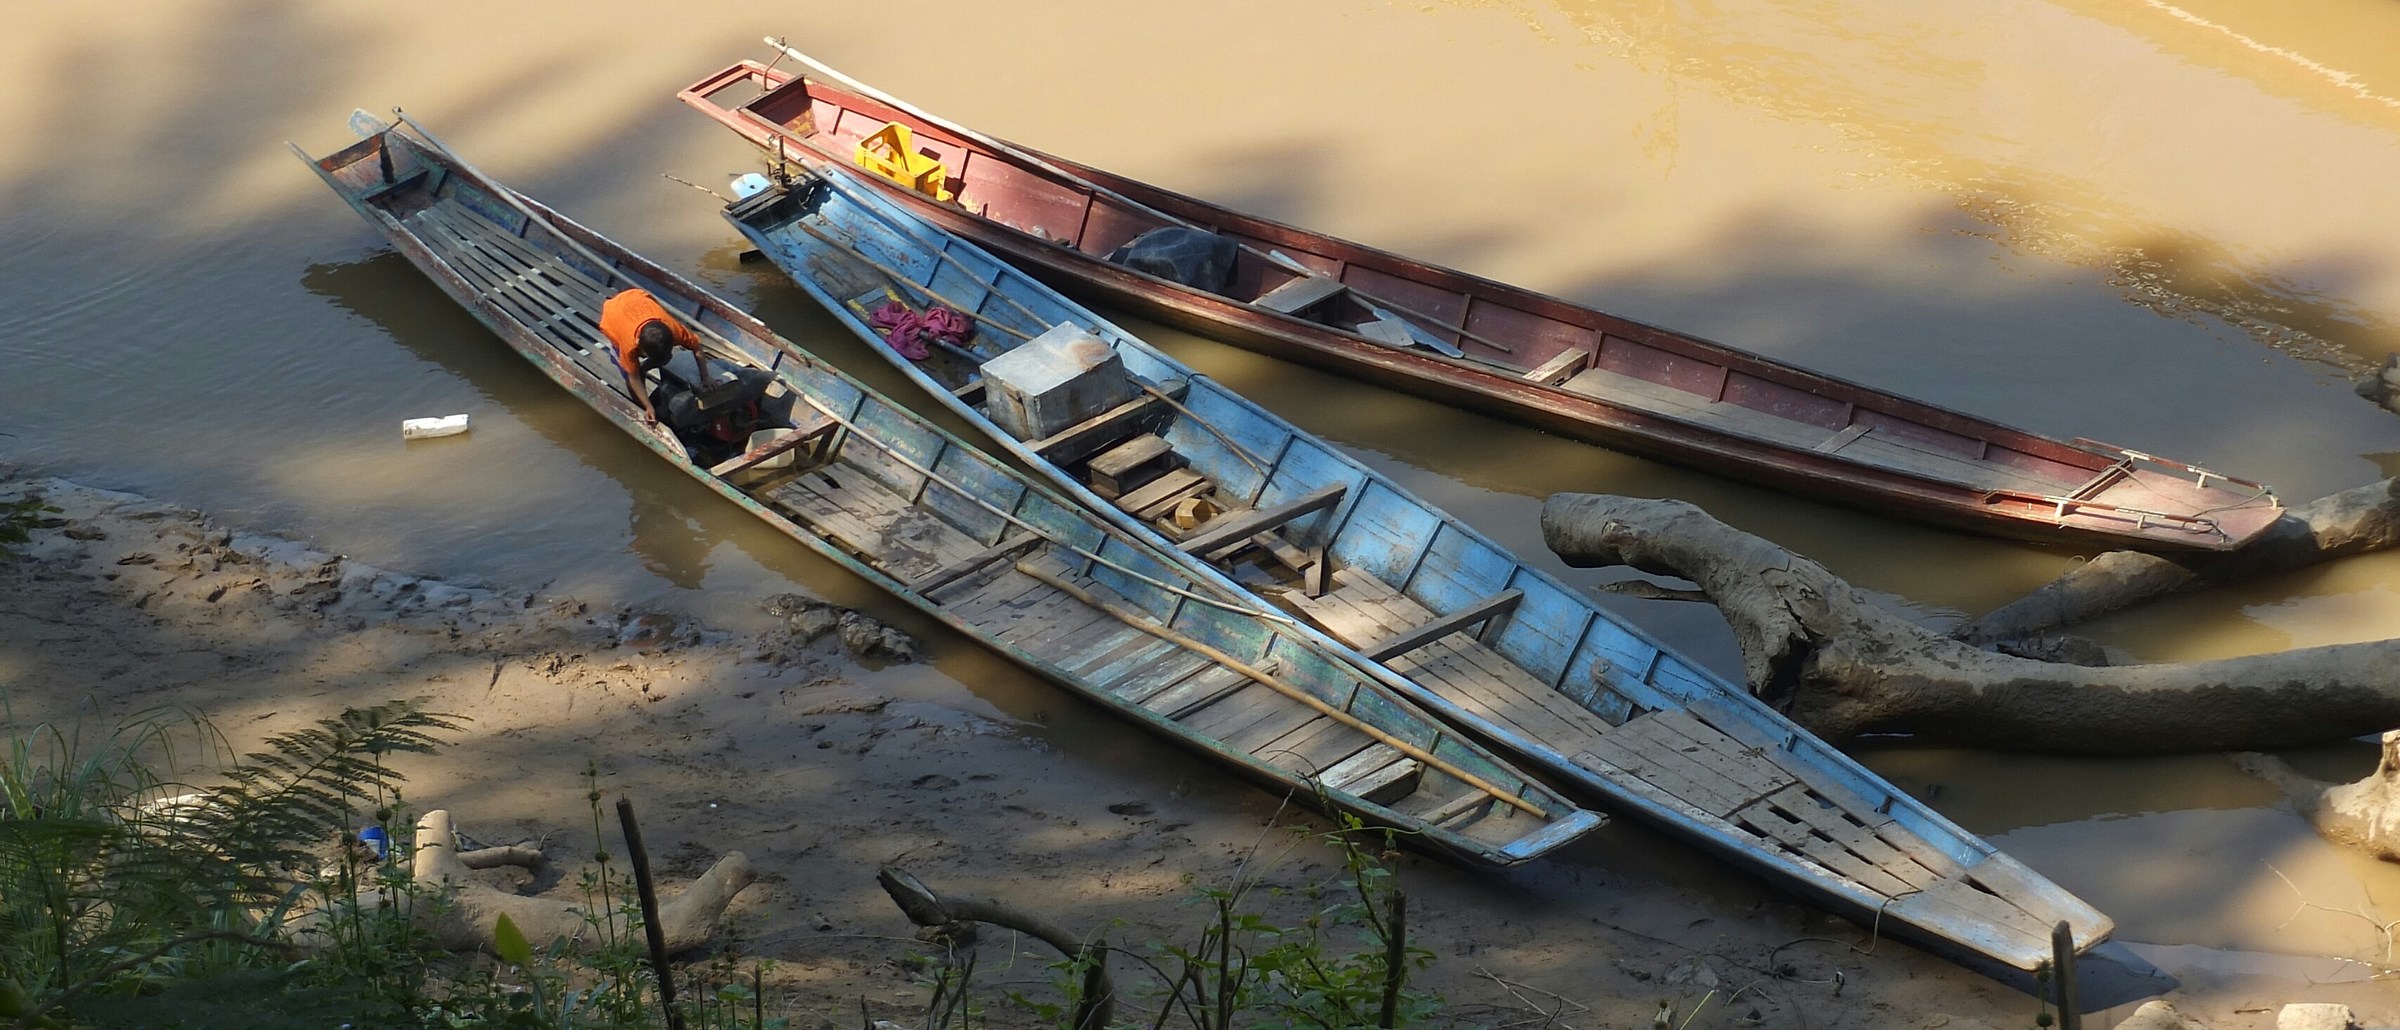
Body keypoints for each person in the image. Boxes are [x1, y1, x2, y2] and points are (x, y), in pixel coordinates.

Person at [598, 288, 709, 423]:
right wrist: (648, 406)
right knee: (630, 371)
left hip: (637, 297)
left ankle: (643, 369)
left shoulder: (674, 330)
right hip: (614, 312)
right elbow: (633, 378)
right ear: (639, 345)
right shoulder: (629, 345)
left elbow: (696, 346)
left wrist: (706, 378)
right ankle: (640, 404)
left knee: (662, 360)